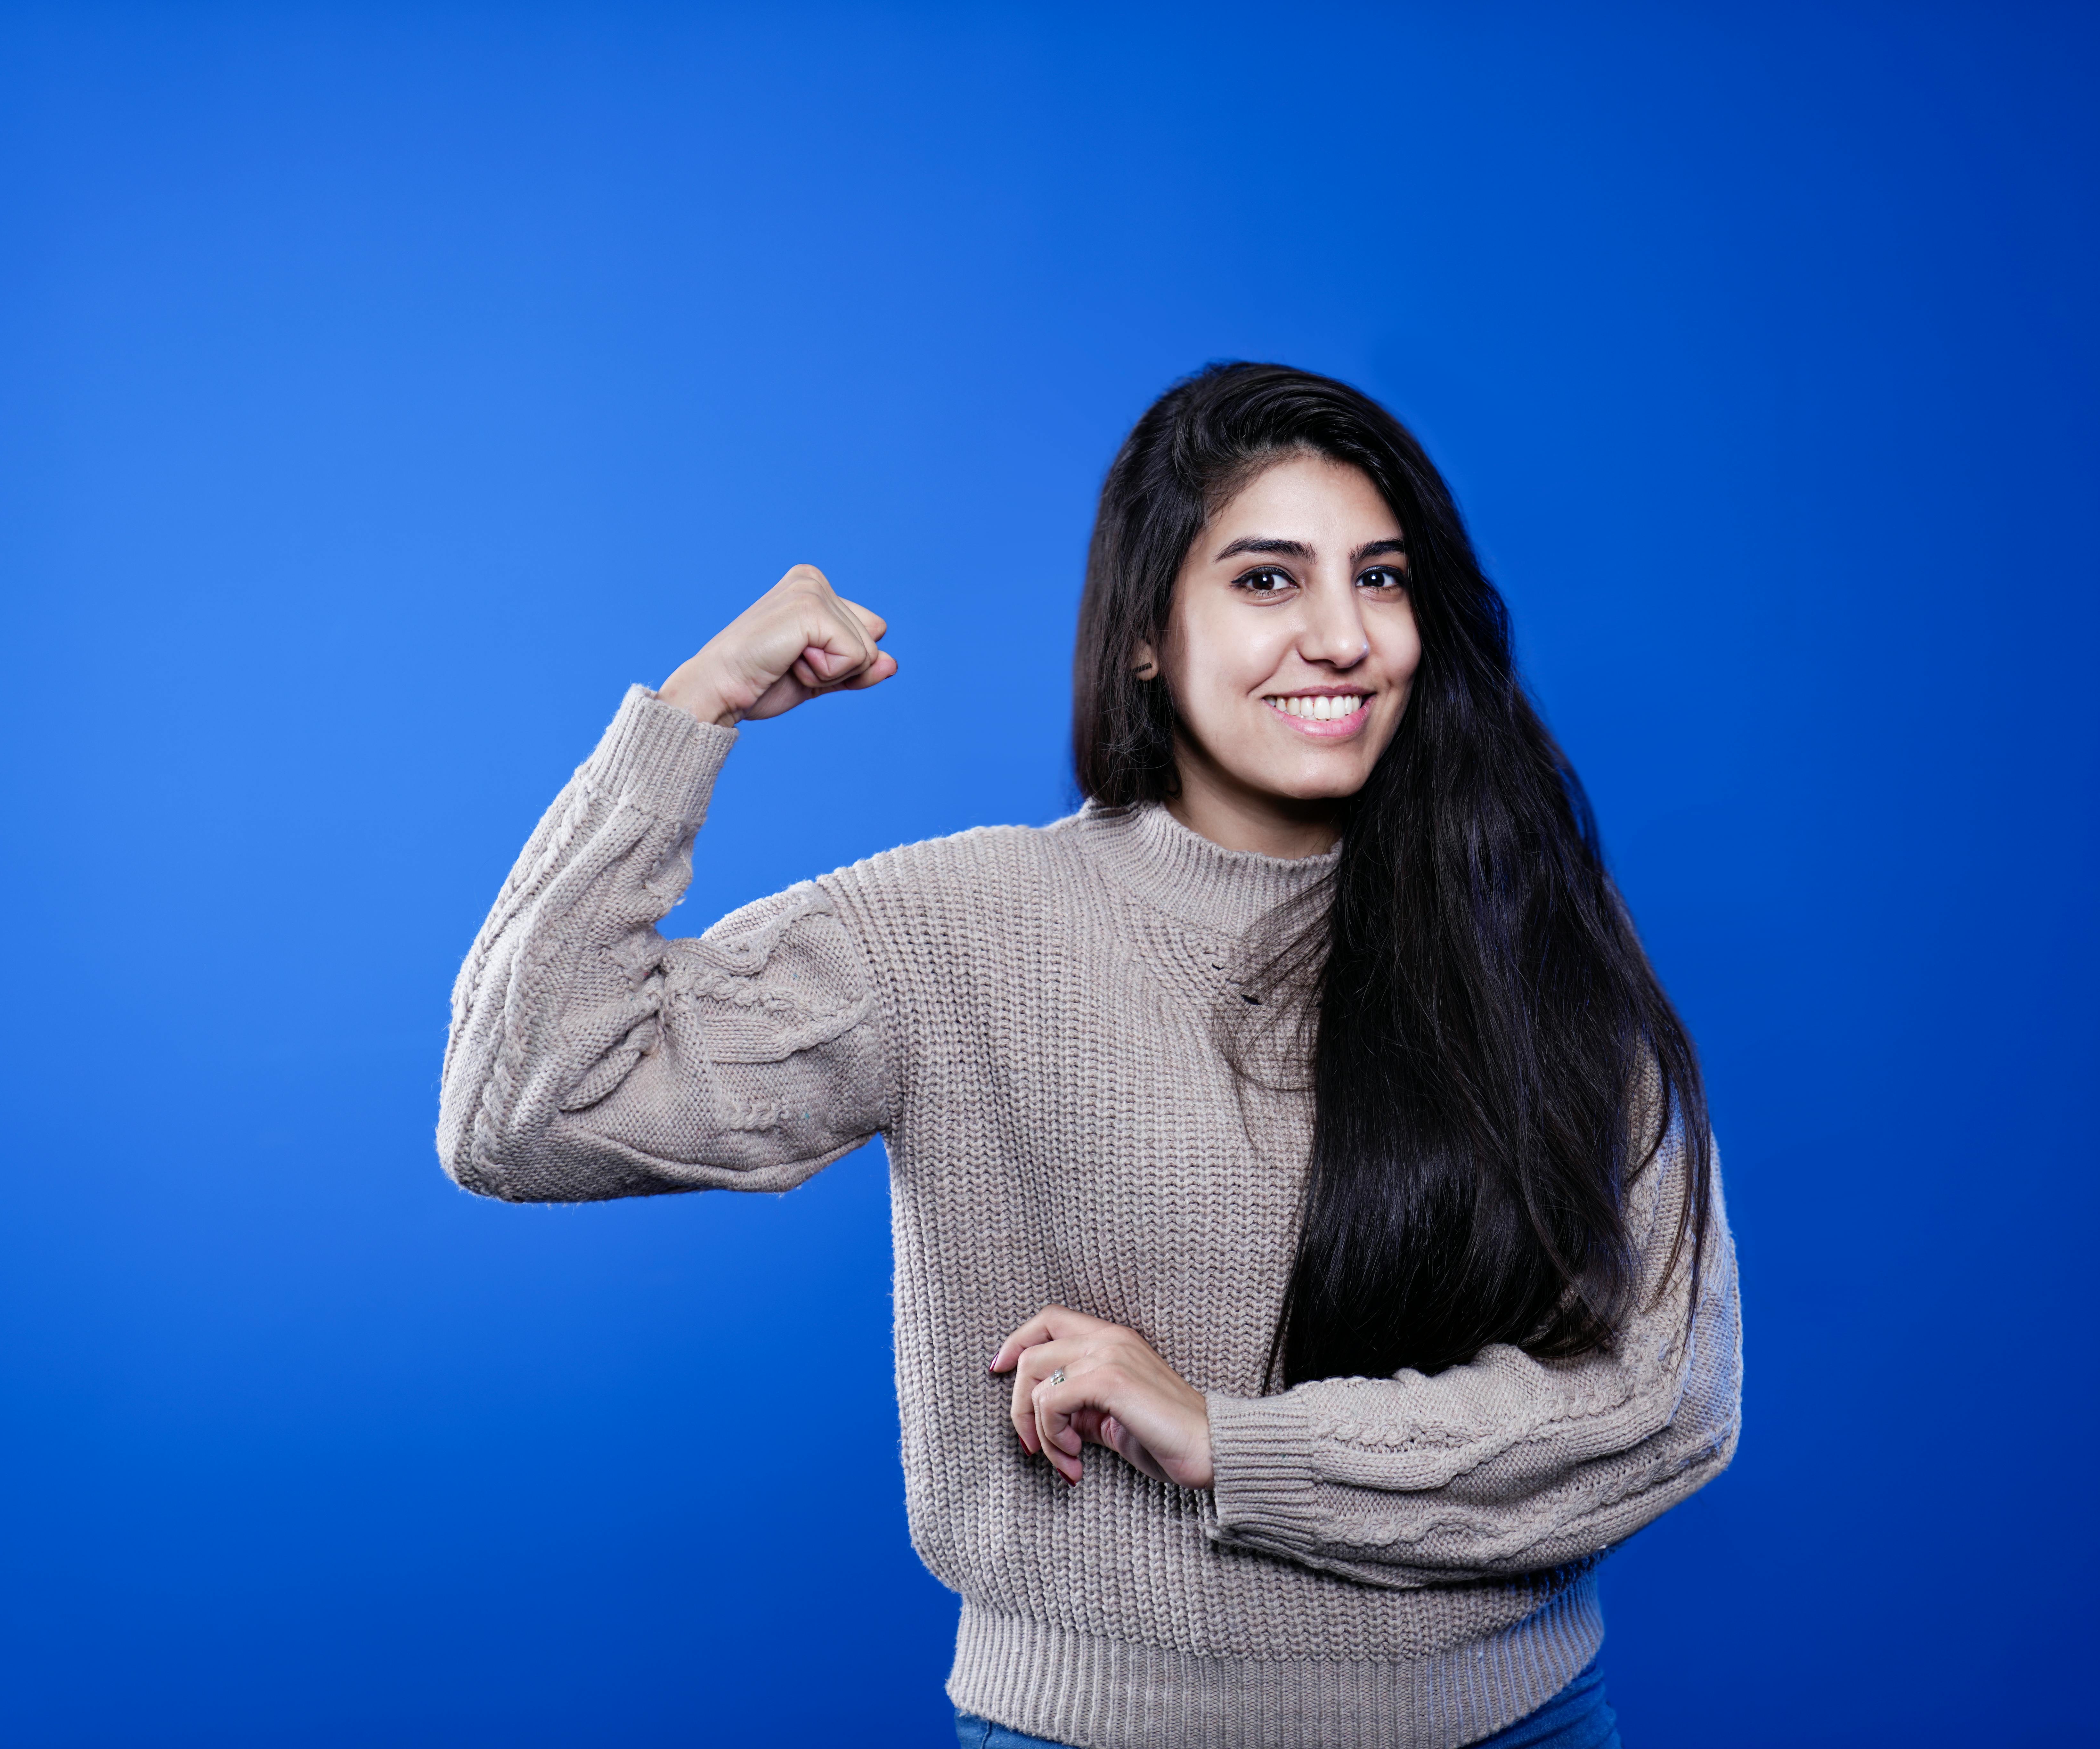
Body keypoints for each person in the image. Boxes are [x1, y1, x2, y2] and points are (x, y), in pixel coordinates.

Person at [436, 363, 1741, 1749]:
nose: (1343, 636)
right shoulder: (959, 929)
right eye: (1264, 582)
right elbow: (525, 1108)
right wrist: (689, 716)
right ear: (1142, 636)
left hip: (1519, 1726)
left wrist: (1228, 1443)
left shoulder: (1525, 918)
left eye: (1381, 577)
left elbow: (1660, 1398)